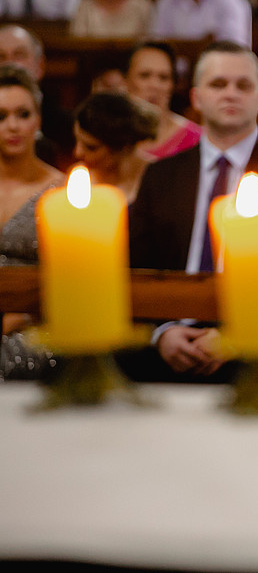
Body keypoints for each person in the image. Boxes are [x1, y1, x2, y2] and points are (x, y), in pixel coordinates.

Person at [125, 42, 258, 382]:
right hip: (168, 349)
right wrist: (162, 332)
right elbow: (135, 268)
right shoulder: (161, 176)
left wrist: (239, 334)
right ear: (196, 97)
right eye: (218, 84)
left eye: (243, 85)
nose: (231, 93)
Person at [0, 65, 63, 380]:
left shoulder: (63, 191)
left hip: (37, 327)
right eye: (1, 116)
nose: (13, 126)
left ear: (38, 120)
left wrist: (19, 317)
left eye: (23, 114)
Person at [0, 24, 73, 169]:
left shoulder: (67, 128)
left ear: (40, 65)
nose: (9, 64)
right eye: (1, 57)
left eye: (19, 55)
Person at [72, 91, 158, 203]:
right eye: (77, 141)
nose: (77, 152)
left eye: (91, 147)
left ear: (124, 147)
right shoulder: (78, 179)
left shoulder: (159, 179)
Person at [123, 41, 202, 161]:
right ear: (126, 81)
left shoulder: (196, 140)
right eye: (144, 75)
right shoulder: (106, 138)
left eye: (163, 77)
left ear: (173, 85)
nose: (154, 85)